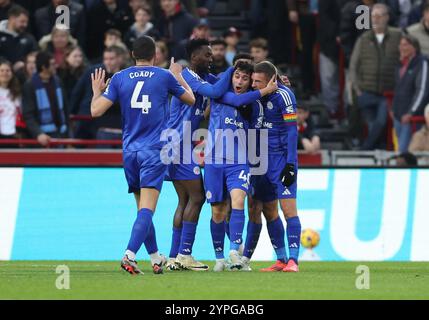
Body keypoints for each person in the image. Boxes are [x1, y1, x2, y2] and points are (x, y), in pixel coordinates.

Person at [90, 35, 195, 275]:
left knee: (142, 211)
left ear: (131, 54)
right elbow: (191, 99)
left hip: (130, 152)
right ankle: (129, 255)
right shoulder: (164, 76)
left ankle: (156, 257)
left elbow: (95, 111)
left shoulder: (119, 78)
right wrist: (179, 77)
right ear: (155, 55)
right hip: (154, 151)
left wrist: (96, 91)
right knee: (148, 210)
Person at [163, 39, 234, 271]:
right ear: (194, 58)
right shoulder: (189, 76)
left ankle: (174, 256)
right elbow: (214, 91)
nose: (211, 58)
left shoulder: (200, 77)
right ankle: (185, 255)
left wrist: (246, 74)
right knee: (198, 197)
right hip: (177, 144)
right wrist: (234, 67)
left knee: (184, 200)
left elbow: (226, 84)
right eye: (207, 54)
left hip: (174, 144)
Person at [205, 61, 278, 272]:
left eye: (244, 78)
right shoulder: (220, 94)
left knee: (238, 202)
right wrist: (266, 90)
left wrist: (277, 87)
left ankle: (234, 253)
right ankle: (219, 258)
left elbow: (255, 122)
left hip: (238, 161)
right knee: (218, 211)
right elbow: (236, 99)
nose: (240, 81)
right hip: (214, 160)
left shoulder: (253, 104)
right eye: (237, 76)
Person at [244, 61, 301, 273]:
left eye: (258, 82)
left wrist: (291, 164)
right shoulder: (253, 97)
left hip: (280, 161)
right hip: (258, 161)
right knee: (264, 210)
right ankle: (281, 259)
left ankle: (294, 261)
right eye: (253, 81)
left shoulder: (284, 96)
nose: (253, 85)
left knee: (288, 210)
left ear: (271, 80)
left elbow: (292, 131)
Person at [350, 3, 401, 150]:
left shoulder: (397, 36)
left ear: (387, 17)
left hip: (388, 93)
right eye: (373, 16)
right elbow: (354, 65)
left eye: (379, 16)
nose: (376, 19)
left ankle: (365, 148)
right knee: (372, 123)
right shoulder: (364, 38)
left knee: (381, 121)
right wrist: (357, 89)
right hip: (366, 91)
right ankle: (377, 148)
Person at [70, 46, 123, 140]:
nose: (108, 62)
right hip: (89, 119)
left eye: (111, 59)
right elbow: (77, 93)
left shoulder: (125, 76)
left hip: (114, 123)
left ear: (120, 59)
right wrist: (72, 112)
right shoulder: (94, 72)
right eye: (106, 59)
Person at [22, 51, 69, 147]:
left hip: (61, 132)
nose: (55, 66)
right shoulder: (30, 85)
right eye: (52, 64)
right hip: (41, 136)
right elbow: (28, 115)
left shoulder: (57, 81)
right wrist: (38, 133)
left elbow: (65, 108)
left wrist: (67, 131)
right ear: (43, 67)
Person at [392, 35, 429, 153]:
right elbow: (397, 89)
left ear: (415, 47)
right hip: (398, 115)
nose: (403, 48)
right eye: (401, 45)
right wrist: (393, 109)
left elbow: (422, 90)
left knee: (404, 151)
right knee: (400, 150)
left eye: (406, 45)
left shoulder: (422, 63)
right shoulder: (400, 64)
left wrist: (411, 112)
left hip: (412, 117)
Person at [0, 5, 38, 69]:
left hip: (24, 73)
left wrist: (24, 63)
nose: (25, 25)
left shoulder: (29, 38)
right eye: (22, 21)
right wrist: (6, 64)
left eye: (26, 22)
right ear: (12, 18)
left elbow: (35, 55)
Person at [0, 58, 24, 141]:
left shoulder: (17, 92)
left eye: (8, 70)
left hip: (14, 135)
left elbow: (20, 113)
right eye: (2, 70)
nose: (5, 73)